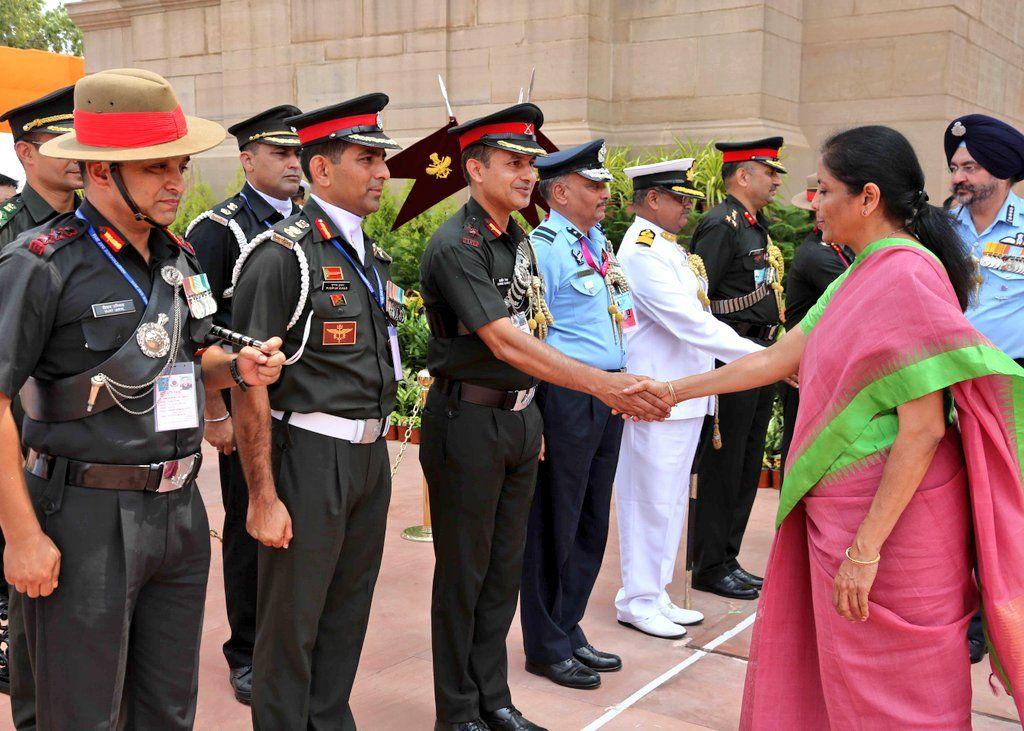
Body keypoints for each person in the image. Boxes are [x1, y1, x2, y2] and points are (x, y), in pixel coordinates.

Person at [624, 125, 1024, 729]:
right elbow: (780, 357)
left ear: (867, 198)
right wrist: (670, 391)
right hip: (851, 513)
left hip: (893, 532)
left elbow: (923, 432)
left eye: (823, 190)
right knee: (839, 681)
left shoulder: (907, 275)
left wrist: (865, 551)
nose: (812, 203)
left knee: (902, 693)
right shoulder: (861, 271)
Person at [0, 67, 284, 731]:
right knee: (80, 714)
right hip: (84, 516)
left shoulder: (178, 259)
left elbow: (187, 359)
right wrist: (20, 534)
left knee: (166, 711)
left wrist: (234, 365)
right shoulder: (39, 264)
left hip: (180, 513)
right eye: (156, 168)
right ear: (100, 171)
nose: (176, 184)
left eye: (179, 165)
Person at [418, 104, 669, 731]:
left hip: (519, 418)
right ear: (475, 170)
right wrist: (606, 385)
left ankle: (494, 698)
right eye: (513, 163)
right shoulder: (458, 243)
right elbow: (505, 341)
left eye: (531, 163)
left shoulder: (513, 241)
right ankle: (458, 711)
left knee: (504, 571)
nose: (527, 174)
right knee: (466, 575)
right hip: (469, 421)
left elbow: (538, 329)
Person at [230, 93, 402, 731]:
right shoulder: (284, 256)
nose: (383, 171)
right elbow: (247, 386)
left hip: (367, 457)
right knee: (291, 622)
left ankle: (330, 719)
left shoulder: (366, 255)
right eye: (367, 158)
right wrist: (262, 497)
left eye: (381, 158)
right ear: (321, 170)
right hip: (309, 456)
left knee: (348, 608)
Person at [614, 159, 762, 639]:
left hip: (683, 394)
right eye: (680, 199)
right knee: (648, 500)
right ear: (653, 199)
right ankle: (636, 600)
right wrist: (766, 357)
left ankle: (655, 594)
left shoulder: (668, 249)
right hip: (656, 394)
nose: (688, 209)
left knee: (672, 500)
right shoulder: (641, 251)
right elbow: (691, 323)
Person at [185, 104, 302, 704]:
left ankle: (289, 641)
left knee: (298, 527)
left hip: (304, 411)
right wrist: (217, 411)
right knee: (248, 524)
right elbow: (200, 329)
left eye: (296, 152)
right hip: (246, 404)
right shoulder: (218, 229)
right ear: (246, 158)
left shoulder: (314, 221)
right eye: (279, 152)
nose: (292, 162)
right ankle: (248, 650)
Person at [519, 139, 627, 690]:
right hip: (566, 397)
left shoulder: (595, 241)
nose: (606, 194)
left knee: (590, 516)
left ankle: (568, 624)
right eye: (594, 185)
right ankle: (544, 643)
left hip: (606, 396)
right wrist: (535, 410)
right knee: (554, 520)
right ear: (560, 192)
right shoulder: (545, 248)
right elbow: (530, 336)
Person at [689, 137, 787, 601]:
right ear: (742, 175)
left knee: (747, 463)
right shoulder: (720, 224)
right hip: (732, 357)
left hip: (759, 354)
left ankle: (727, 556)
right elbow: (699, 300)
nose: (775, 180)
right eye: (769, 171)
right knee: (724, 464)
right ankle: (708, 562)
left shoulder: (754, 223)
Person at [944, 114, 1024, 665]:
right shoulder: (940, 227)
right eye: (954, 167)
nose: (959, 177)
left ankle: (1004, 609)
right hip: (946, 379)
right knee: (954, 496)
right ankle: (967, 614)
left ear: (1002, 169)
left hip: (1009, 382)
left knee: (1004, 500)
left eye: (969, 166)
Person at [778, 173, 853, 470]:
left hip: (816, 365)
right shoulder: (816, 254)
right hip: (804, 366)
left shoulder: (837, 249)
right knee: (799, 455)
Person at [0, 86, 82, 248]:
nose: (78, 157)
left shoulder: (98, 218)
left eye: (81, 144)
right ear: (26, 152)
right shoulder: (6, 230)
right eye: (63, 146)